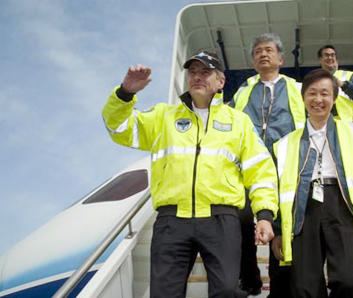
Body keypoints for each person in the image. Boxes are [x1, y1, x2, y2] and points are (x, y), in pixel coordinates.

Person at [101, 50, 277, 298]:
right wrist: (125, 93)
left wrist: (265, 215)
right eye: (192, 72)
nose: (197, 77)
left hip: (221, 219)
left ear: (220, 82)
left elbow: (261, 171)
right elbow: (119, 129)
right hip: (172, 220)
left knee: (228, 291)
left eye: (206, 72)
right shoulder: (163, 116)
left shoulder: (239, 122)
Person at [271, 69, 353, 298]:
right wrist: (278, 231)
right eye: (312, 93)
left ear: (334, 98)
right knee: (304, 288)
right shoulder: (284, 144)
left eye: (325, 94)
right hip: (303, 210)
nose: (319, 100)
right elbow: (276, 190)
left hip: (343, 208)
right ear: (303, 98)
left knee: (349, 281)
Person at [229, 33, 306, 296]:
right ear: (253, 61)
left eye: (269, 50)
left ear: (280, 58)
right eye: (258, 51)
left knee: (283, 224)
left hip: (286, 164)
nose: (263, 54)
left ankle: (279, 286)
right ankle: (249, 275)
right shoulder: (242, 91)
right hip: (248, 165)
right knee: (239, 217)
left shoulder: (297, 88)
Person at [317, 45, 353, 123]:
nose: (330, 57)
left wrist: (343, 84)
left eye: (332, 55)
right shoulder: (314, 79)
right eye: (326, 55)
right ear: (320, 60)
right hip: (323, 122)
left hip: (347, 120)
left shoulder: (348, 75)